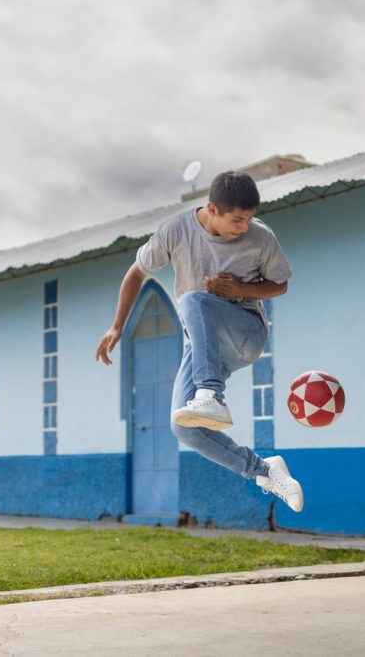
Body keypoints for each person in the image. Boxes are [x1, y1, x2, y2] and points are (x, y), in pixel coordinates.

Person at [94, 171, 303, 512]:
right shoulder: (175, 231)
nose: (243, 227)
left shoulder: (260, 237)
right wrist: (117, 326)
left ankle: (210, 394)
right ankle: (265, 471)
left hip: (245, 334)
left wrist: (240, 290)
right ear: (211, 209)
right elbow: (136, 272)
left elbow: (280, 284)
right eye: (236, 220)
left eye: (249, 219)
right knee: (184, 427)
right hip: (203, 345)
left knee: (192, 300)